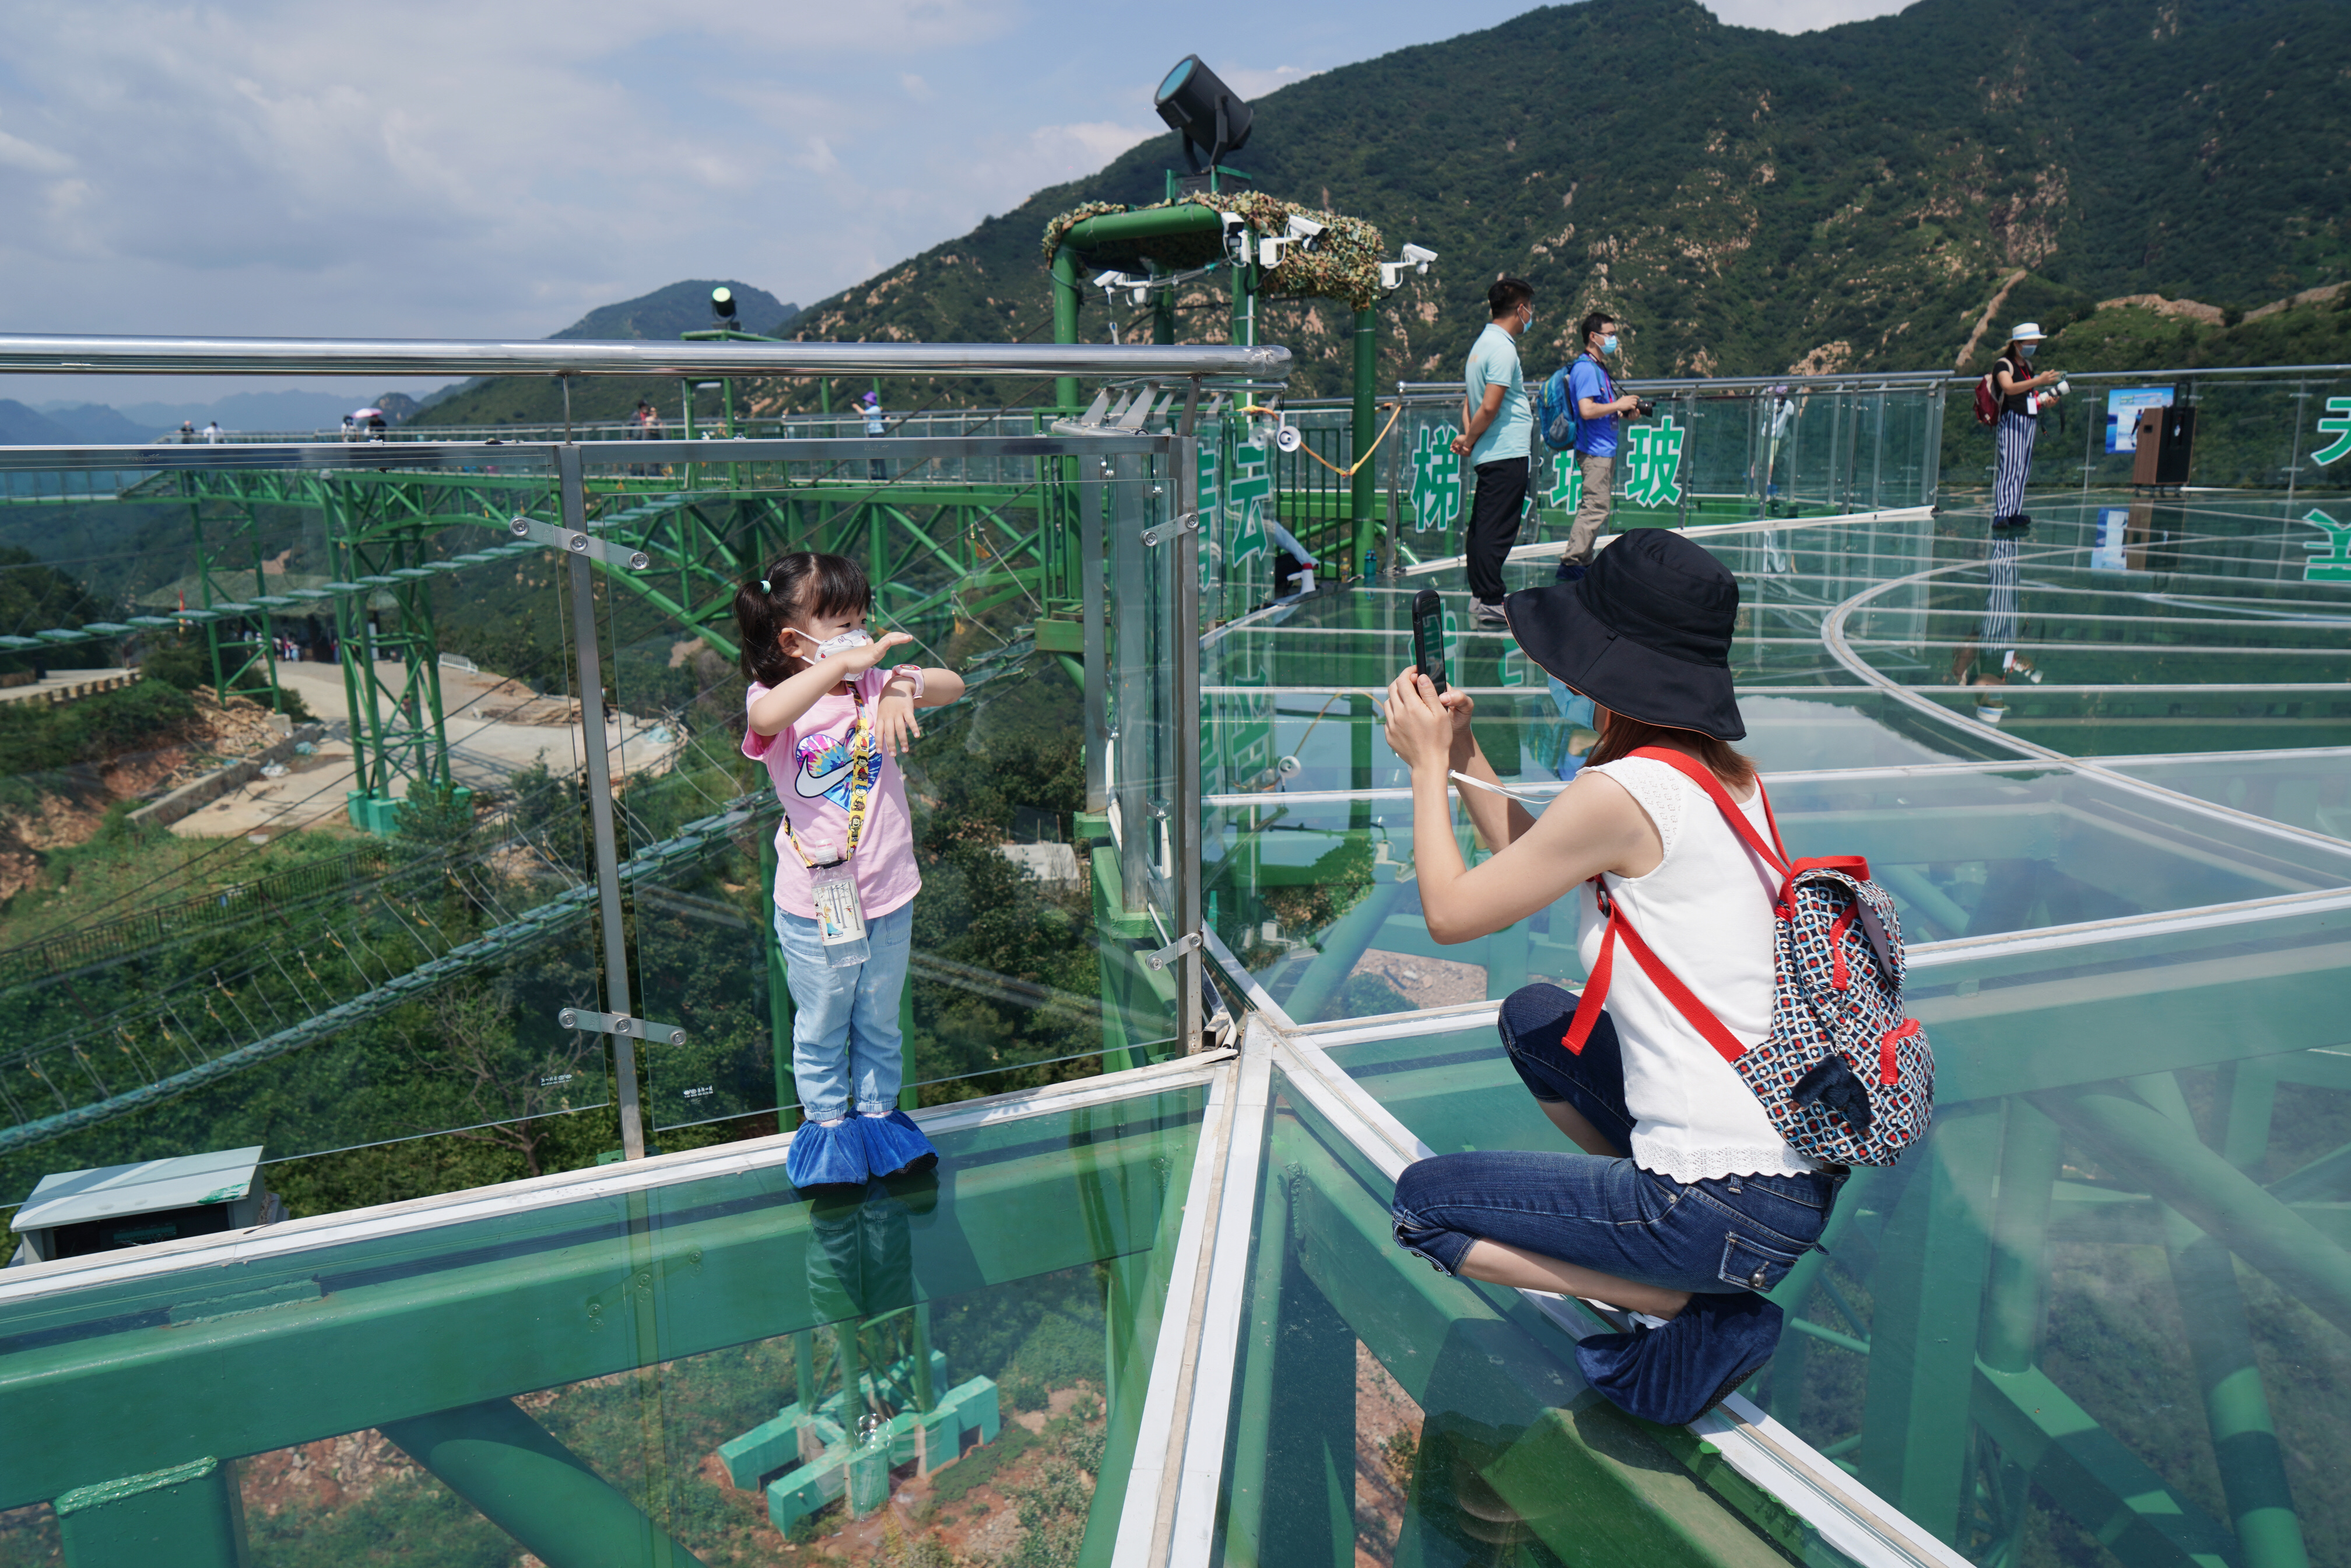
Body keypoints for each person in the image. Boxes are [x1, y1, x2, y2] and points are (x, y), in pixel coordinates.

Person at [1381, 528, 1843, 1426]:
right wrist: (1470, 756)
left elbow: (1451, 912)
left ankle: (1690, 1305)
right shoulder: (1719, 775)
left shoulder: (1624, 792)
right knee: (1536, 1022)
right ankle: (1670, 1244)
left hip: (1722, 1207)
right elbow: (1529, 864)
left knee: (1422, 1208)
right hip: (1790, 1183)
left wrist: (1427, 767)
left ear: (1608, 664)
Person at [735, 552, 966, 1189]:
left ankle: (879, 1120)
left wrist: (899, 683)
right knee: (822, 1024)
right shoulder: (778, 697)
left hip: (889, 891)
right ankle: (830, 1134)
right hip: (816, 902)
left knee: (878, 1018)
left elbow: (955, 684)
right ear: (793, 640)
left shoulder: (872, 683)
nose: (862, 636)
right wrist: (837, 665)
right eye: (843, 625)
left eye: (864, 620)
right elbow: (763, 720)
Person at [1451, 277, 1535, 626]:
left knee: (1484, 524)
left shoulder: (1480, 346)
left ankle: (1481, 595)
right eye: (1531, 308)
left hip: (1492, 450)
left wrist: (1469, 436)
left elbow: (1469, 403)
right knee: (1497, 528)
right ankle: (1489, 597)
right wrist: (1469, 439)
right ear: (1520, 308)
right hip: (1506, 450)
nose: (1532, 315)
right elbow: (1489, 406)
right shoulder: (1503, 349)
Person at [1558, 312, 1644, 580]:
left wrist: (1620, 411)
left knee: (1597, 505)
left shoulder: (1597, 368)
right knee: (1595, 506)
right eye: (1609, 334)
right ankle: (1572, 563)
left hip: (1602, 448)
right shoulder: (1586, 368)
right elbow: (1586, 410)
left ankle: (1582, 560)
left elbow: (1598, 409)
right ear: (1593, 337)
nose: (1613, 339)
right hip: (1594, 450)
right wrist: (1619, 404)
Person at [1989, 322, 2062, 530]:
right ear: (2018, 344)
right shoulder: (2004, 364)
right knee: (2011, 466)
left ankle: (2014, 511)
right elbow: (2009, 388)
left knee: (2023, 468)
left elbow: (2028, 394)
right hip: (2012, 419)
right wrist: (2038, 381)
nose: (2035, 345)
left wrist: (2044, 400)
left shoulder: (2027, 367)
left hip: (2029, 418)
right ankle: (2002, 512)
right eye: (2031, 342)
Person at [861, 391, 887, 481]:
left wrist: (855, 406)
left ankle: (883, 475)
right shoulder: (870, 409)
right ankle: (874, 474)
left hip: (877, 433)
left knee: (879, 455)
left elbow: (864, 414)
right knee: (872, 455)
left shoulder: (875, 409)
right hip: (870, 433)